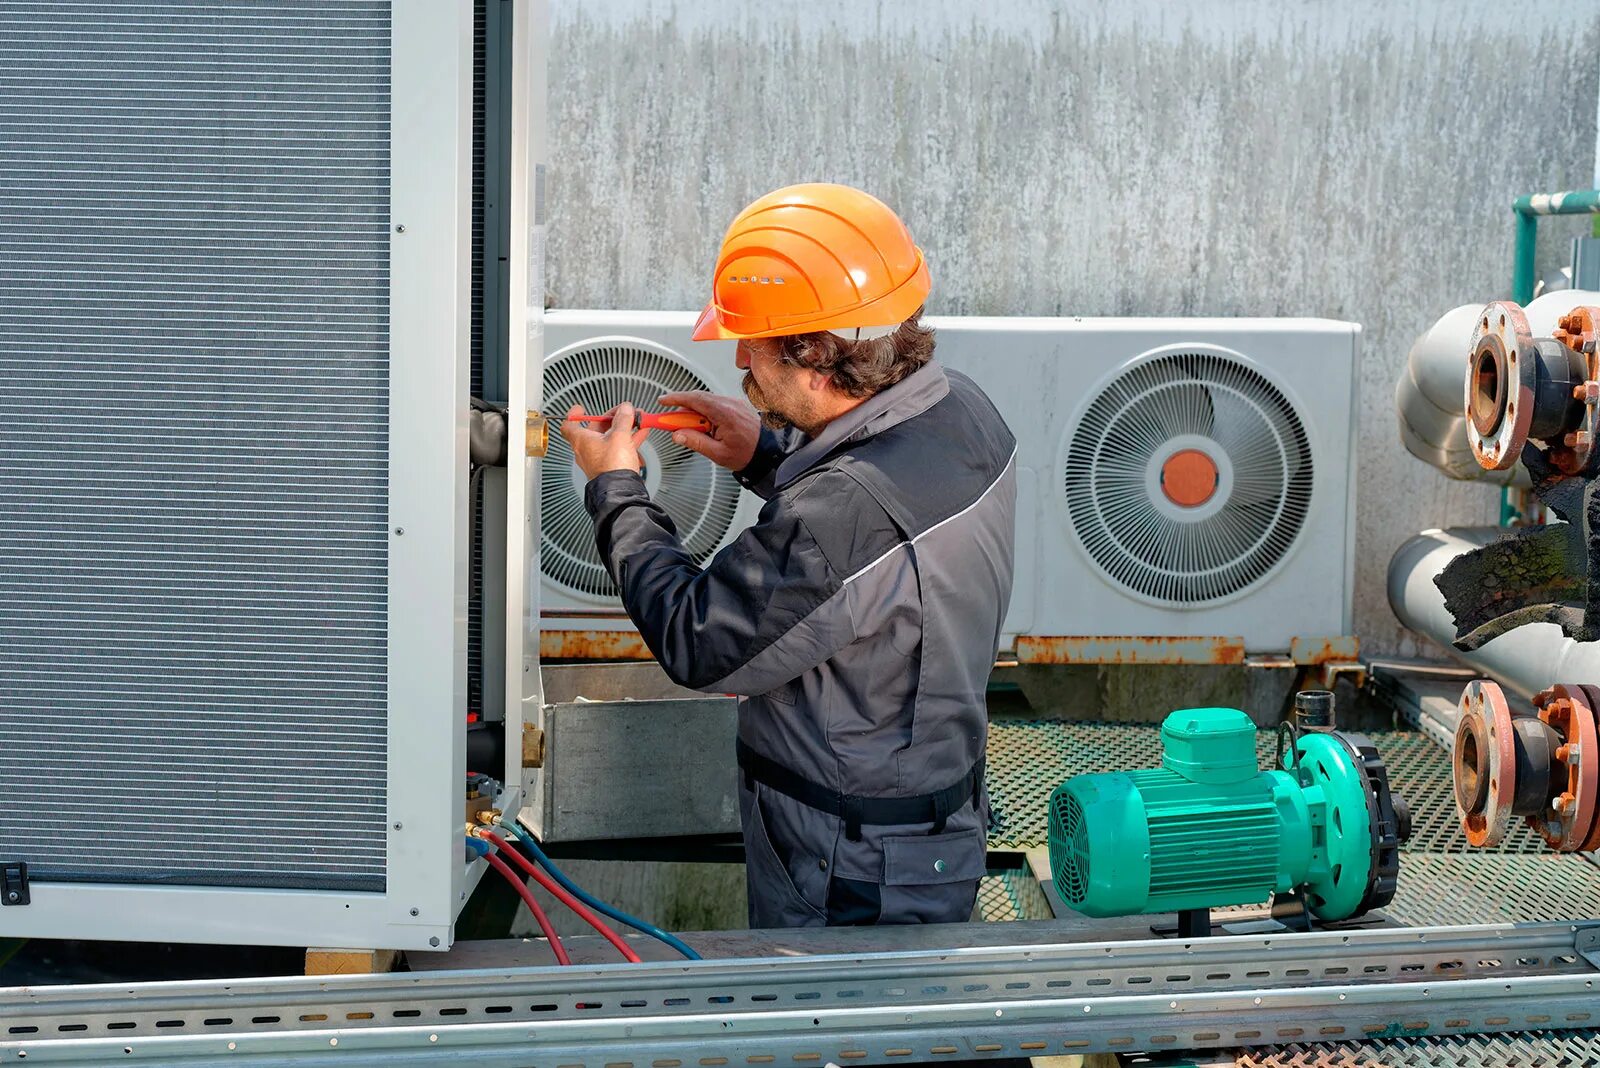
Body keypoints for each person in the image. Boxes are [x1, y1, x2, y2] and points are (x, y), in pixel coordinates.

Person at [561, 183, 1016, 928]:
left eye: (755, 341)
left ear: (813, 356)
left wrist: (616, 487)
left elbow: (699, 639)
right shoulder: (961, 410)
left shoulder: (836, 521)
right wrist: (766, 455)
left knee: (831, 1040)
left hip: (848, 868)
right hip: (926, 829)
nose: (738, 355)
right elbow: (879, 562)